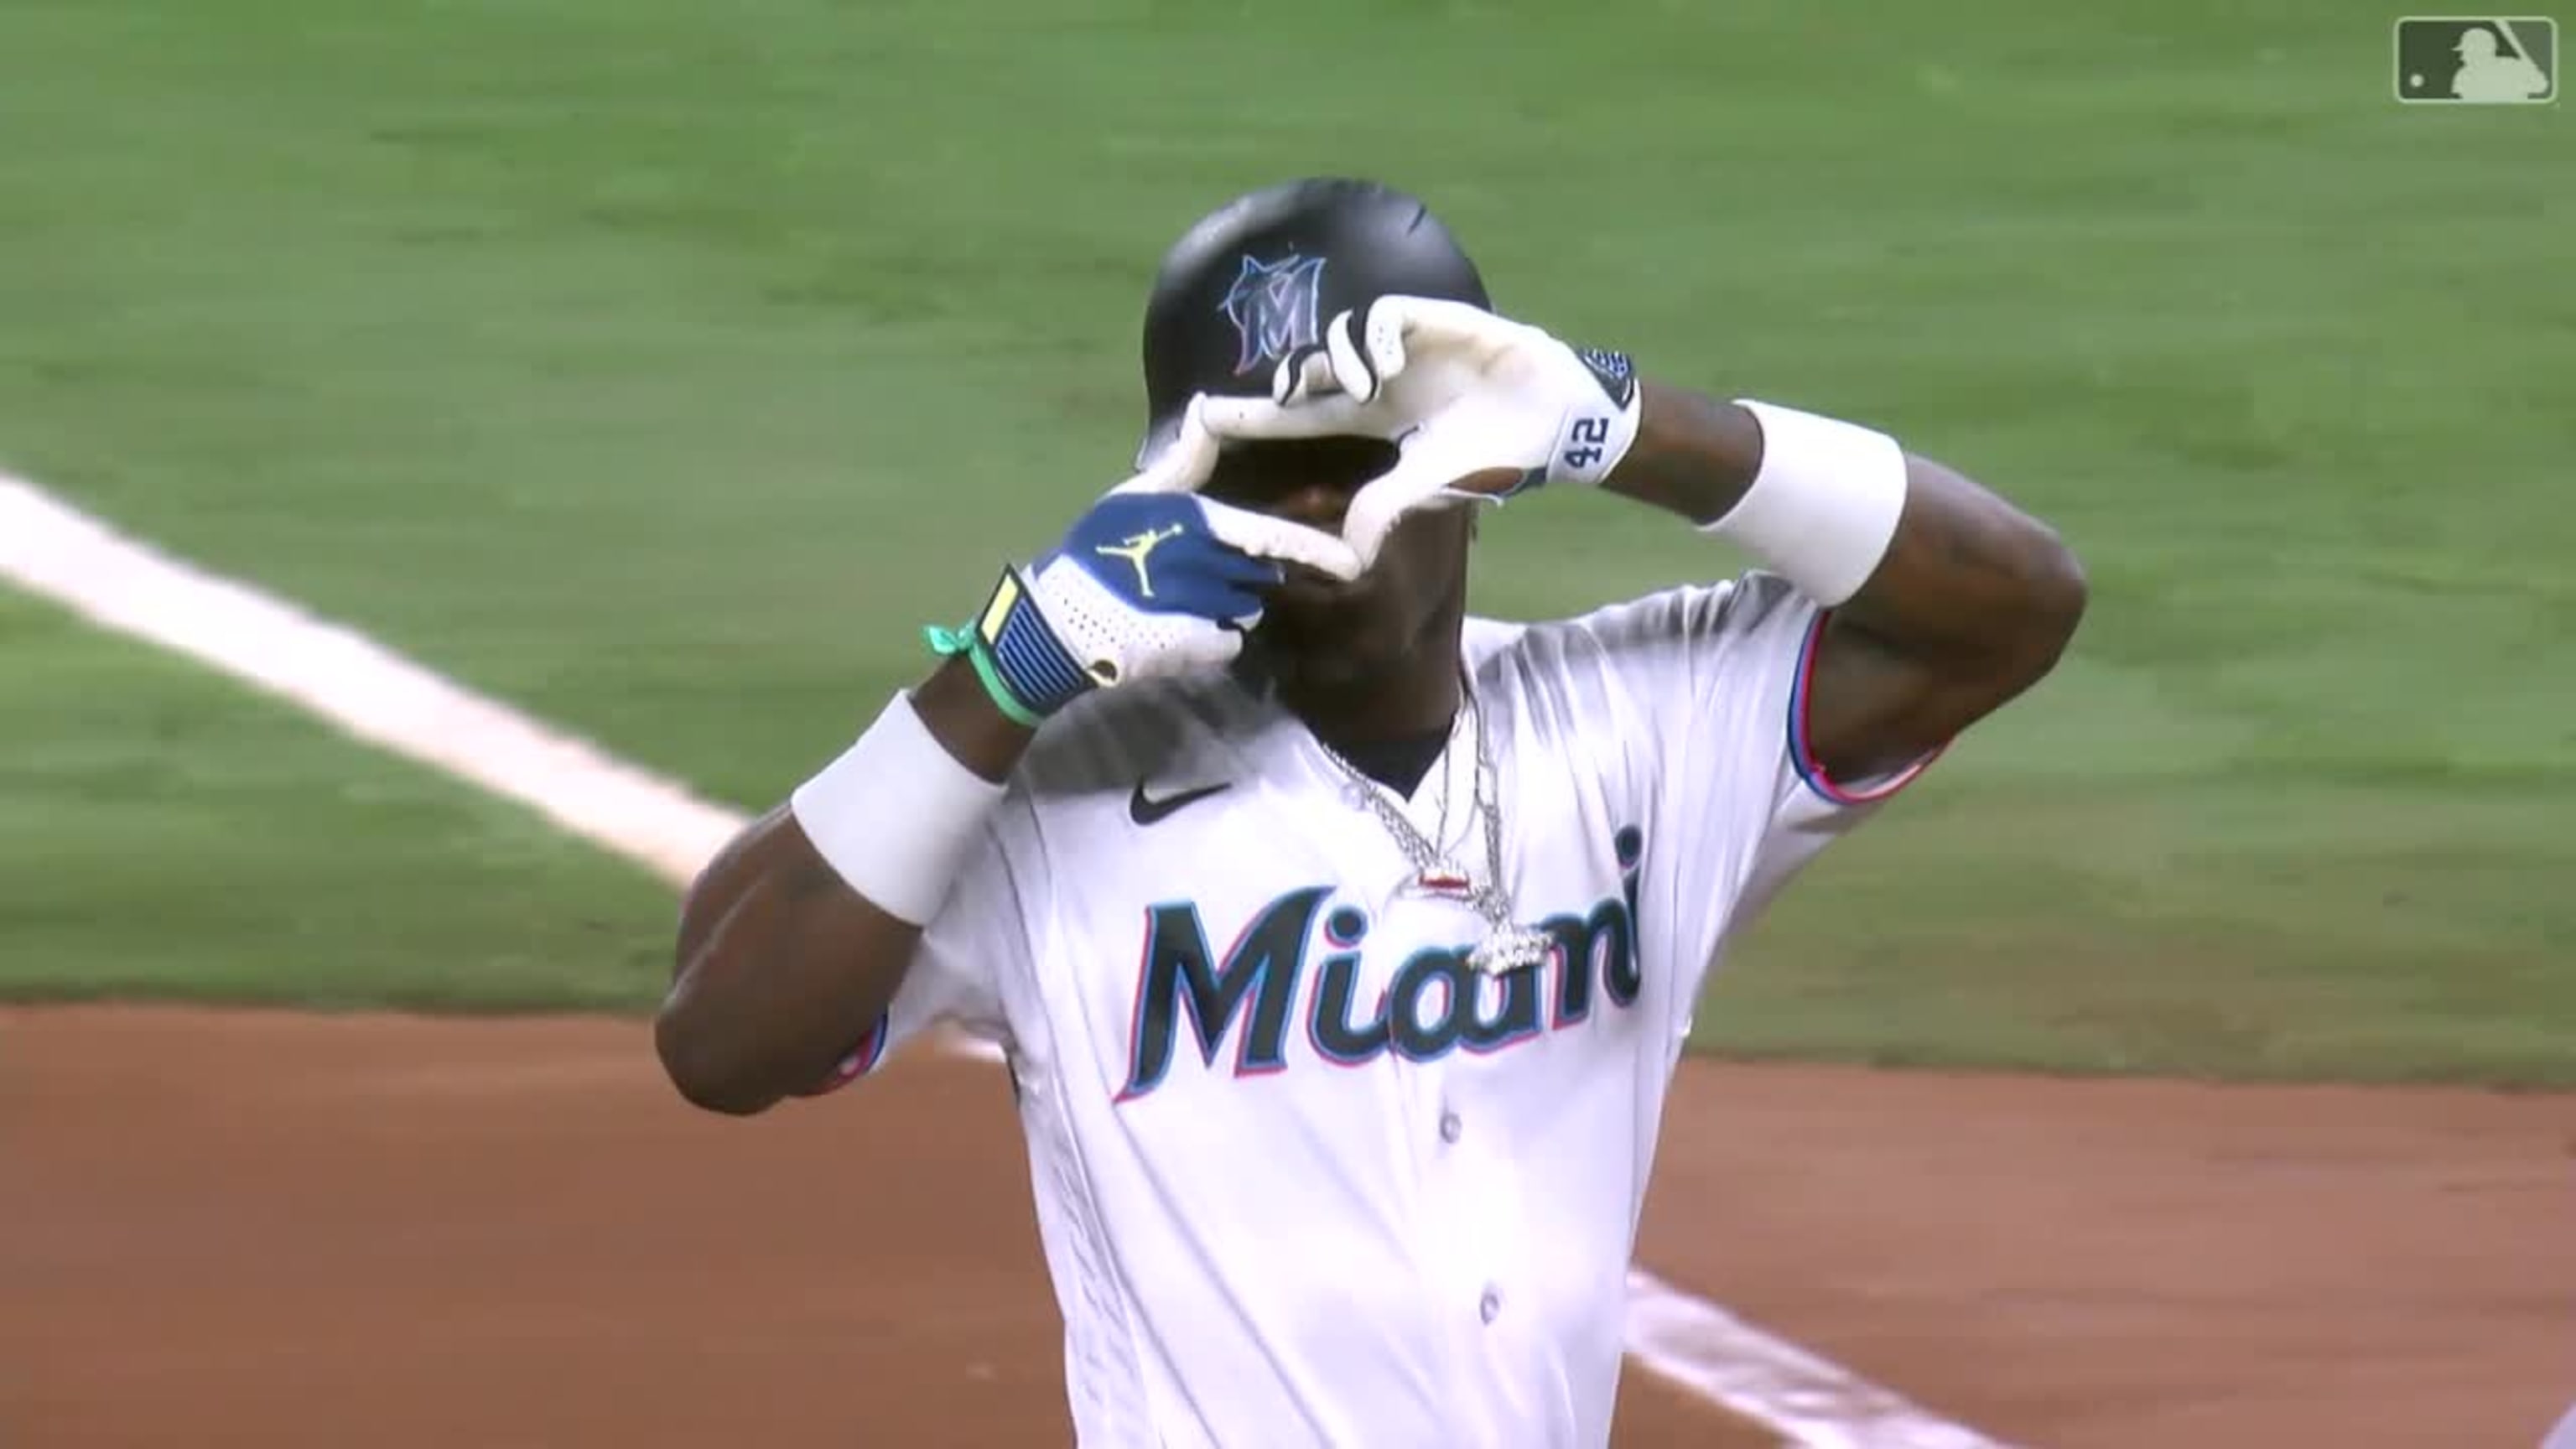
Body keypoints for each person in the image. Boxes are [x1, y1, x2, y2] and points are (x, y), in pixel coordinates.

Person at [656, 176, 2088, 1446]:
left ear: (1474, 459)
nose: (1317, 517)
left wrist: (1629, 424)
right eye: (1260, 476)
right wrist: (995, 678)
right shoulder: (1055, 785)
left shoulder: (1640, 728)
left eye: (1362, 452)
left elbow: (2008, 609)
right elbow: (722, 1038)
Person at [2451, 23, 2551, 101]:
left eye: (2467, 52)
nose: (2462, 57)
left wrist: (2532, 72)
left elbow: (2541, 87)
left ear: (2481, 51)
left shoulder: (2514, 67)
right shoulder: (2464, 74)